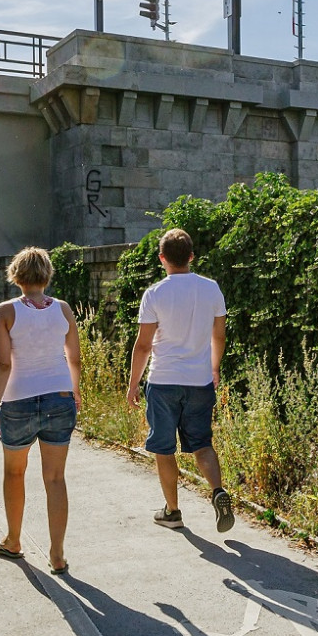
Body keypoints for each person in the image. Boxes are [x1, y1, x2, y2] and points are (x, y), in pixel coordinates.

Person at [125, 228, 235, 534]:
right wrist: (213, 368)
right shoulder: (211, 289)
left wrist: (133, 384)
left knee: (164, 448)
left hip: (163, 382)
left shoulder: (155, 294)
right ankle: (217, 491)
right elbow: (219, 336)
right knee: (201, 444)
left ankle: (173, 512)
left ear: (162, 258)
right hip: (199, 382)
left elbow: (144, 345)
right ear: (191, 256)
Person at [0, 247, 83, 573]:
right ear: (47, 274)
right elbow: (75, 358)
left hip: (18, 401)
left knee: (15, 472)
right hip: (59, 397)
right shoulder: (64, 310)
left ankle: (13, 540)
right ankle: (57, 554)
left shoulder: (6, 312)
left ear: (16, 275)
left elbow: (2, 364)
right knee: (55, 477)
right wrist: (75, 392)